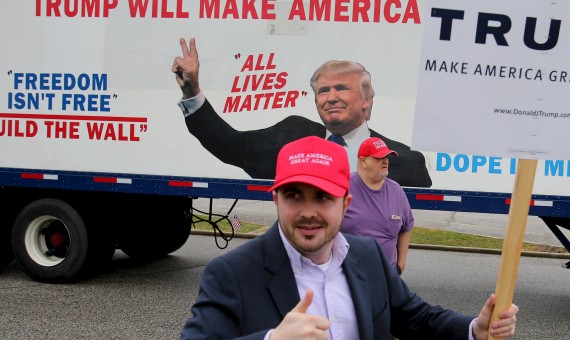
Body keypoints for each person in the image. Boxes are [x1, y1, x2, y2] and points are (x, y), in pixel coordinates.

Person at [180, 135, 518, 340]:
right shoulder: (232, 274)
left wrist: (474, 329)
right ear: (276, 200)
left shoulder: (367, 256)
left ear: (346, 203)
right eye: (294, 196)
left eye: (323, 197)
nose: (308, 211)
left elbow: (415, 318)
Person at [172, 37, 432, 188]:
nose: (330, 98)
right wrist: (192, 91)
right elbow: (229, 145)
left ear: (366, 100)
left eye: (341, 88)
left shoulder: (405, 160)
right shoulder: (290, 137)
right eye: (322, 91)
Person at [342, 136, 413, 274]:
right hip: (349, 277)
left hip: (386, 279)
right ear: (363, 161)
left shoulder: (396, 191)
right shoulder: (343, 187)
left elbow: (406, 228)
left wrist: (401, 264)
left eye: (387, 157)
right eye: (379, 157)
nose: (386, 161)